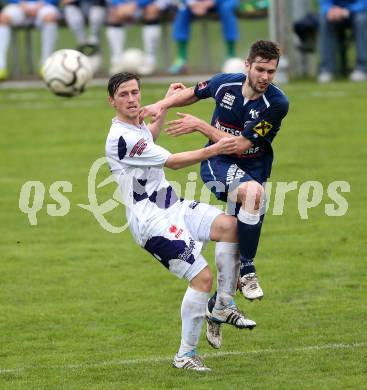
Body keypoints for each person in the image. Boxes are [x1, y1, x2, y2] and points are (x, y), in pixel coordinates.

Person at [141, 40, 289, 348]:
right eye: (259, 69)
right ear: (247, 65)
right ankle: (248, 271)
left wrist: (199, 126)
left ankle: (220, 306)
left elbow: (241, 145)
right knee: (252, 196)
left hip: (253, 167)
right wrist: (162, 105)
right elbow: (193, 92)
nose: (264, 76)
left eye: (271, 71)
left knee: (236, 230)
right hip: (217, 163)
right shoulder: (225, 83)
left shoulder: (276, 104)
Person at [105, 72, 256, 371]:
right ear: (112, 101)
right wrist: (214, 148)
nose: (132, 98)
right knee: (201, 278)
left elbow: (150, 137)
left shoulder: (134, 128)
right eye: (124, 94)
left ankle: (224, 305)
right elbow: (172, 161)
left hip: (172, 205)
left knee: (232, 227)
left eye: (135, 92)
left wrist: (164, 106)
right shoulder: (120, 137)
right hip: (152, 222)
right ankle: (185, 355)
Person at [169, 0, 240, 74]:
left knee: (227, 9)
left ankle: (231, 57)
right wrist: (192, 3)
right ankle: (181, 58)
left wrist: (210, 2)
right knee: (182, 10)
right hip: (195, 3)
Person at [106, 0, 171, 75]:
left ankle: (150, 61)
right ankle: (117, 61)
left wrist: (137, 4)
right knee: (114, 14)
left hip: (152, 2)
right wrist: (120, 4)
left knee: (151, 10)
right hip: (125, 5)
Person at [0, 0, 60, 81]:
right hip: (18, 6)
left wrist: (43, 3)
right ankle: (1, 66)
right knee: (3, 18)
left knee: (50, 17)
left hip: (45, 5)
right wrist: (20, 3)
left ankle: (46, 64)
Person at [318, 0, 367, 83]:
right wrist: (329, 10)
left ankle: (361, 68)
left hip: (357, 13)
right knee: (324, 20)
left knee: (360, 20)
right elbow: (324, 3)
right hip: (335, 14)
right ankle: (327, 70)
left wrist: (346, 11)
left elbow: (363, 3)